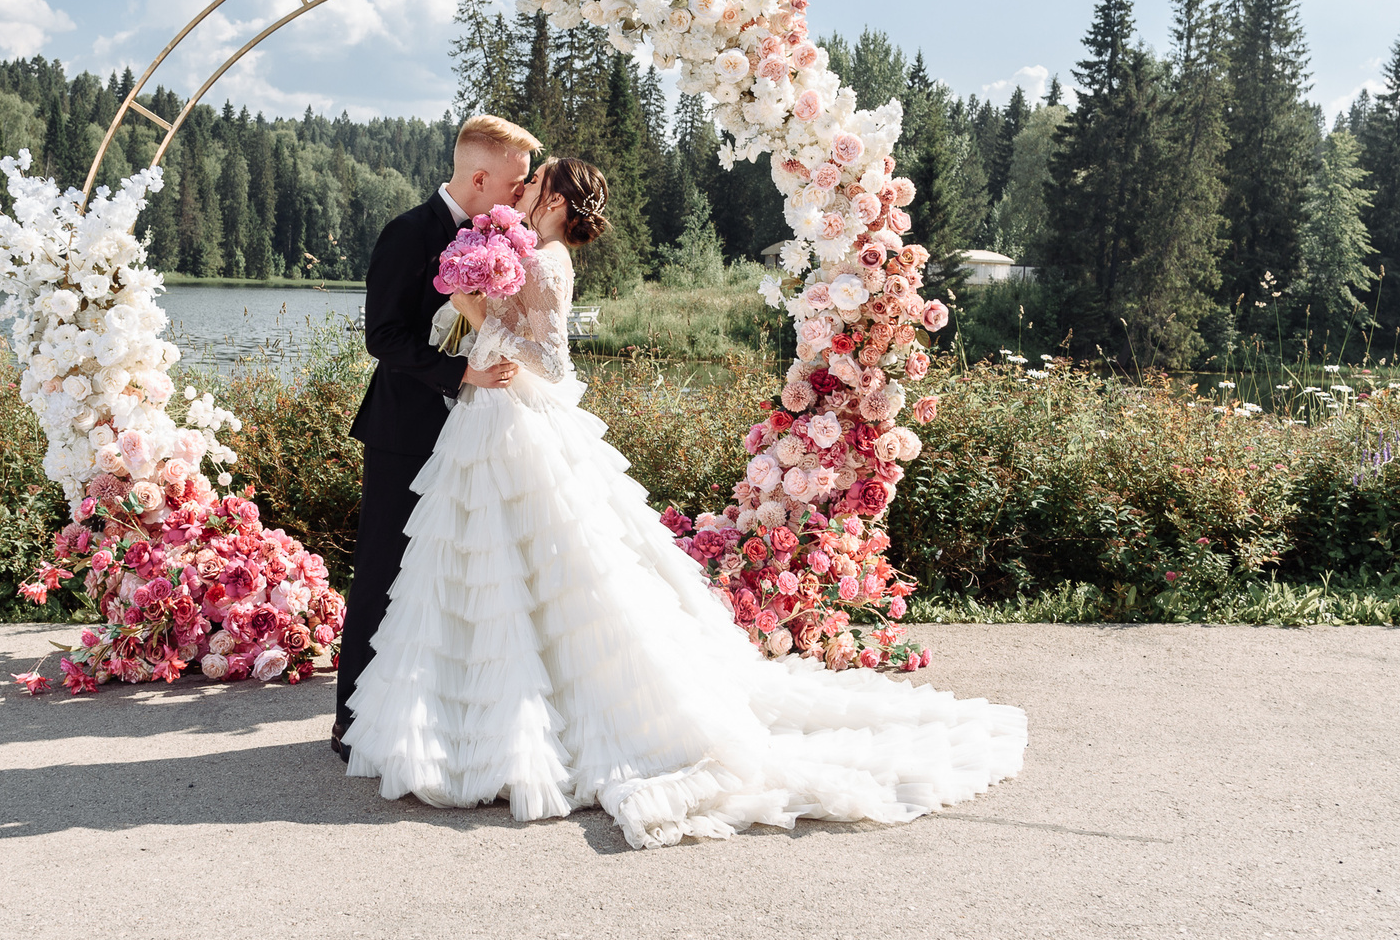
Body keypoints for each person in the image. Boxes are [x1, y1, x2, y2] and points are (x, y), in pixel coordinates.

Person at [342, 156, 1027, 848]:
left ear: (553, 194)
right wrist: (478, 311)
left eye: (536, 177)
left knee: (533, 574)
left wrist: (478, 312)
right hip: (487, 419)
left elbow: (551, 362)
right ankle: (470, 725)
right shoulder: (529, 252)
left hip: (516, 420)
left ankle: (517, 733)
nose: (525, 186)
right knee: (477, 571)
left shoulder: (548, 261)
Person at [333, 114, 539, 759]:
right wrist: (461, 371)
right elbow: (383, 337)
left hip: (474, 432)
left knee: (453, 573)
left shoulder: (498, 238)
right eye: (514, 183)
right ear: (479, 176)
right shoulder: (408, 233)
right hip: (406, 432)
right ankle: (351, 724)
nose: (520, 196)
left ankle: (433, 720)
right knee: (383, 572)